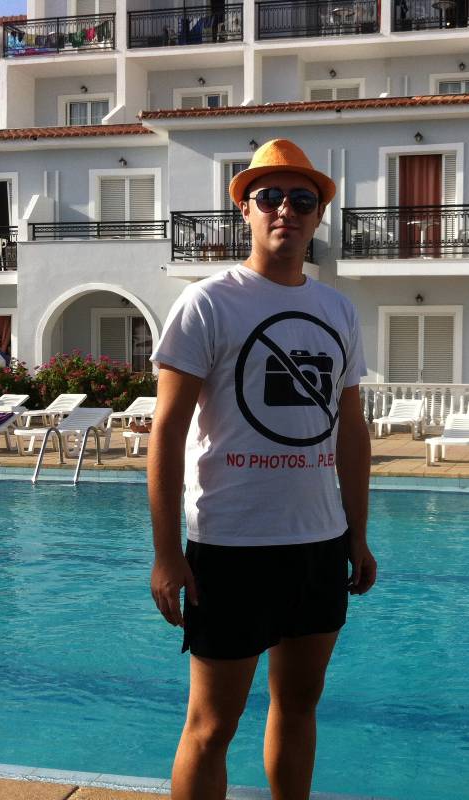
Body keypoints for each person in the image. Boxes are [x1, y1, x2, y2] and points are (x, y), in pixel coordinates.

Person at [147, 138, 376, 800]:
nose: (285, 210)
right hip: (231, 545)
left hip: (319, 543)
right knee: (211, 726)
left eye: (301, 199)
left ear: (317, 216)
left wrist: (357, 534)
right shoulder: (208, 302)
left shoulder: (337, 309)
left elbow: (351, 430)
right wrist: (167, 553)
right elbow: (167, 431)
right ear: (244, 209)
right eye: (268, 197)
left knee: (299, 707)